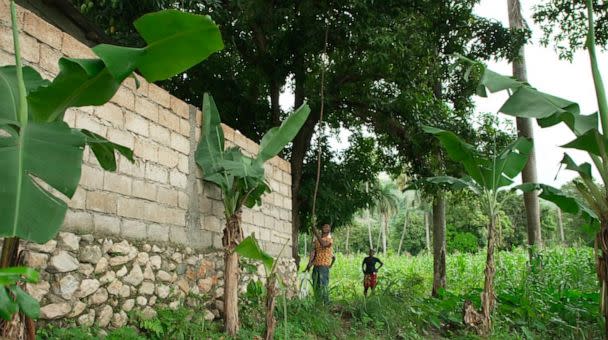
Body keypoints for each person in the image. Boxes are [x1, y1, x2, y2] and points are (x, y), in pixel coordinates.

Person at [307, 223, 334, 303]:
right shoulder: (317, 241)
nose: (325, 227)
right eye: (324, 226)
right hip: (316, 265)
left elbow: (324, 244)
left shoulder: (329, 240)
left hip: (324, 266)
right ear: (322, 228)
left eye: (327, 227)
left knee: (323, 284)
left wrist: (315, 232)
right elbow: (314, 253)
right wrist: (309, 264)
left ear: (329, 230)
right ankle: (318, 301)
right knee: (316, 284)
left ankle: (326, 303)